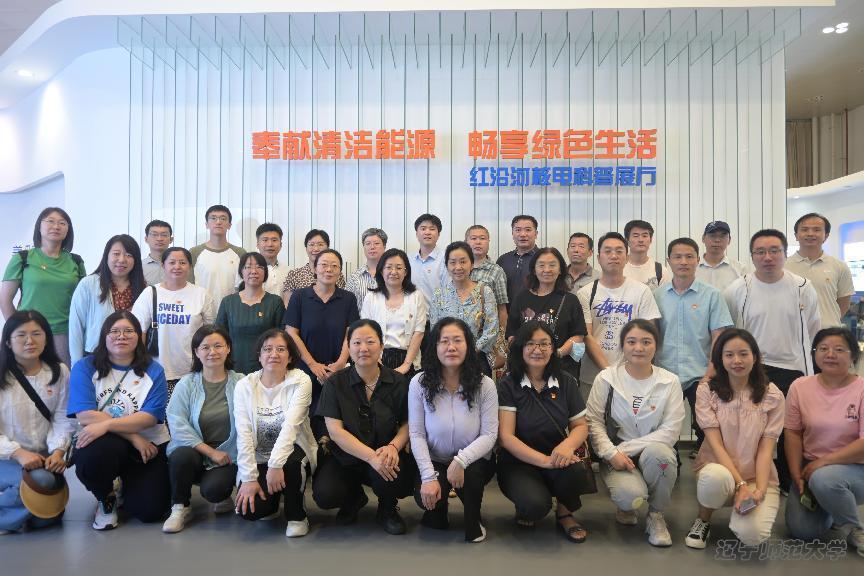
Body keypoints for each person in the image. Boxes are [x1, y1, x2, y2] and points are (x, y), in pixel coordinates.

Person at [724, 228, 820, 489]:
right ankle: (753, 481)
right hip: (753, 370)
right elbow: (730, 332)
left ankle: (789, 481)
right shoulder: (737, 289)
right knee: (752, 428)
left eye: (774, 251)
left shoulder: (802, 287)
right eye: (761, 252)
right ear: (752, 256)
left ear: (785, 253)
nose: (768, 257)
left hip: (794, 369)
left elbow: (812, 329)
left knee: (791, 429)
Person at [67, 311, 171, 530]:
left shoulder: (154, 370)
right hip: (109, 443)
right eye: (114, 331)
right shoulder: (85, 367)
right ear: (104, 336)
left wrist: (106, 424)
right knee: (90, 457)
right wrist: (132, 437)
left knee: (150, 511)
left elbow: (148, 418)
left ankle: (125, 484)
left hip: (149, 445)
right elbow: (85, 415)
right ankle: (105, 497)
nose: (121, 336)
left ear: (139, 336)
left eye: (128, 331)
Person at [586, 319, 685, 547]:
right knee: (630, 497)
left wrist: (625, 450)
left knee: (662, 455)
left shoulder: (670, 381)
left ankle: (656, 515)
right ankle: (626, 506)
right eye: (631, 342)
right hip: (615, 455)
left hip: (650, 452)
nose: (639, 348)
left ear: (656, 346)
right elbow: (594, 422)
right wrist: (611, 453)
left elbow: (670, 431)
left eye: (646, 342)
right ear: (622, 345)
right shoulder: (607, 378)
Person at [684, 329, 785, 549]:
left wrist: (758, 490)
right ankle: (703, 519)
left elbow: (766, 450)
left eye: (743, 354)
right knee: (715, 478)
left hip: (756, 476)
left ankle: (743, 513)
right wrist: (740, 484)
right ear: (720, 359)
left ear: (755, 357)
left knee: (752, 536)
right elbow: (716, 445)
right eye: (729, 355)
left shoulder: (772, 395)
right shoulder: (707, 391)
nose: (737, 360)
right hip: (718, 469)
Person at [313, 319, 414, 535]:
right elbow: (335, 432)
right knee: (326, 494)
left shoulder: (398, 381)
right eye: (357, 343)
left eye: (370, 342)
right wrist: (370, 457)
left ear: (381, 346)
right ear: (349, 348)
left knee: (398, 480)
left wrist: (394, 447)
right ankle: (353, 498)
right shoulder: (335, 383)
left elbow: (408, 423)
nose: (363, 348)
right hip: (345, 457)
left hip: (385, 453)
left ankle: (387, 508)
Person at [497, 321, 594, 542]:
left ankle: (564, 513)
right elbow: (506, 437)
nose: (537, 350)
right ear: (520, 348)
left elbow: (580, 426)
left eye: (544, 344)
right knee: (534, 506)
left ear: (552, 348)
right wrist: (545, 461)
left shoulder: (566, 381)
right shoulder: (508, 384)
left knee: (576, 472)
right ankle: (527, 503)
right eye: (530, 344)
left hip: (557, 455)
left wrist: (567, 446)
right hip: (518, 462)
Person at [409, 318, 498, 543]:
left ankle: (473, 516)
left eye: (458, 340)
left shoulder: (485, 384)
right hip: (436, 459)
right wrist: (428, 476)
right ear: (434, 347)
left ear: (468, 345)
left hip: (472, 461)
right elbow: (417, 434)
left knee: (472, 481)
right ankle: (438, 510)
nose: (451, 347)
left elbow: (489, 434)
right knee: (434, 518)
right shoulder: (419, 383)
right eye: (444, 341)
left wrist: (461, 460)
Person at [784, 327, 864, 557]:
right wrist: (796, 474)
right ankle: (834, 507)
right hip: (811, 468)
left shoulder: (861, 389)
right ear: (814, 353)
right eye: (823, 348)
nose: (830, 354)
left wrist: (823, 462)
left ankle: (855, 529)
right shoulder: (800, 386)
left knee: (824, 479)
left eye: (839, 349)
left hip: (856, 468)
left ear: (853, 355)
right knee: (802, 530)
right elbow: (793, 432)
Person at [233, 329, 317, 537]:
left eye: (281, 349)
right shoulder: (244, 385)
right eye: (267, 349)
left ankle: (297, 515)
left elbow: (291, 427)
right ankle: (272, 503)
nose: (274, 354)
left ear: (290, 356)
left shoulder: (301, 380)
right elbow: (243, 433)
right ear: (259, 355)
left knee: (291, 463)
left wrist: (275, 464)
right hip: (259, 455)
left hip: (293, 449)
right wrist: (249, 478)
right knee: (251, 511)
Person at [654, 238, 732, 455]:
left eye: (689, 257)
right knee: (663, 427)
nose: (683, 262)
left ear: (698, 260)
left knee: (706, 427)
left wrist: (710, 372)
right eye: (678, 257)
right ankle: (669, 464)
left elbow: (718, 336)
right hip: (665, 372)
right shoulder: (657, 295)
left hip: (701, 373)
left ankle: (705, 464)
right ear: (669, 261)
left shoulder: (712, 295)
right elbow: (651, 335)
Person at [162, 325, 243, 533]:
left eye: (218, 346)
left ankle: (223, 493)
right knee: (180, 456)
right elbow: (176, 422)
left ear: (228, 348)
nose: (212, 352)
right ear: (196, 352)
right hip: (195, 452)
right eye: (205, 347)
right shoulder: (186, 383)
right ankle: (180, 506)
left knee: (214, 490)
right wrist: (210, 452)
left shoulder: (242, 382)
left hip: (228, 455)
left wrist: (221, 454)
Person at [0, 311, 73, 534]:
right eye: (21, 335)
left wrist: (58, 452)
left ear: (46, 338)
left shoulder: (59, 371)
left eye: (36, 334)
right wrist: (18, 453)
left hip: (41, 459)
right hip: (5, 457)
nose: (29, 341)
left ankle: (14, 514)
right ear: (8, 342)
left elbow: (62, 418)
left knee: (47, 519)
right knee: (40, 485)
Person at [577, 232, 661, 399]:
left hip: (633, 377)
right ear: (598, 258)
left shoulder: (642, 291)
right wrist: (609, 372)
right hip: (593, 378)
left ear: (627, 257)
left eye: (619, 251)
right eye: (608, 251)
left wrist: (627, 372)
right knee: (592, 417)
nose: (613, 256)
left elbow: (648, 334)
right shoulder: (585, 293)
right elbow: (587, 336)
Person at [284, 249, 359, 437]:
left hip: (338, 370)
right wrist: (312, 364)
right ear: (315, 269)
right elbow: (291, 332)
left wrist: (341, 363)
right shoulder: (299, 296)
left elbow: (351, 333)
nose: (329, 269)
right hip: (305, 370)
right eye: (324, 265)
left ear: (340, 271)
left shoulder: (348, 298)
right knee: (303, 422)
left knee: (337, 421)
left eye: (334, 266)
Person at [1, 207, 86, 365]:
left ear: (68, 230)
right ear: (39, 227)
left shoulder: (76, 261)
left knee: (63, 377)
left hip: (65, 334)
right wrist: (17, 329)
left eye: (62, 223)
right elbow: (5, 300)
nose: (56, 226)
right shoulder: (23, 258)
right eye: (50, 221)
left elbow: (82, 302)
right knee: (27, 377)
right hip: (30, 332)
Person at [132, 247, 217, 393]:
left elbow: (211, 332)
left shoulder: (201, 294)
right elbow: (139, 331)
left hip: (193, 370)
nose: (177, 266)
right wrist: (139, 363)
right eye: (172, 262)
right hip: (157, 370)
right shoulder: (150, 293)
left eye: (182, 262)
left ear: (190, 266)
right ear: (163, 265)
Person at [506, 247, 586, 381]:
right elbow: (512, 334)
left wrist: (556, 353)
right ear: (534, 270)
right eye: (541, 265)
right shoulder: (521, 298)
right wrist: (526, 354)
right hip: (525, 369)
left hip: (561, 369)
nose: (547, 270)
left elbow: (578, 335)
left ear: (560, 270)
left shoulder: (570, 300)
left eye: (552, 265)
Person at [69, 235, 147, 365]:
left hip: (131, 357)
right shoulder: (88, 284)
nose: (122, 259)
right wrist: (76, 364)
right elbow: (76, 326)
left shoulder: (144, 288)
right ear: (106, 256)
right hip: (95, 355)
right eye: (116, 254)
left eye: (129, 255)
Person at [430, 242, 499, 376]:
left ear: (472, 264)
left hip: (477, 359)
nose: (458, 267)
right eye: (453, 262)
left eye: (463, 262)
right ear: (447, 266)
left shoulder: (485, 291)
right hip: (447, 359)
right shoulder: (439, 294)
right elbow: (435, 330)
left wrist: (470, 350)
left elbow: (492, 329)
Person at [360, 249, 426, 376]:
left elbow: (419, 332)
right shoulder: (371, 297)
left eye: (399, 268)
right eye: (389, 267)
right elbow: (366, 332)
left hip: (408, 358)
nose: (394, 272)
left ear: (405, 272)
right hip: (377, 358)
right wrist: (377, 362)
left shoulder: (416, 296)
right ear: (381, 271)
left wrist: (406, 365)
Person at [215, 252, 285, 374]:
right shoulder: (228, 302)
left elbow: (282, 337)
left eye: (259, 267)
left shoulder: (275, 302)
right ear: (241, 272)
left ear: (265, 272)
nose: (254, 271)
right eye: (248, 267)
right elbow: (219, 337)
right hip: (233, 367)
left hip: (267, 368)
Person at [786, 213, 855, 329]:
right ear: (796, 235)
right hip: (793, 332)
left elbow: (844, 303)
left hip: (828, 334)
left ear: (826, 236)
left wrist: (829, 320)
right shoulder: (783, 266)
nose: (810, 233)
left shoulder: (839, 266)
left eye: (817, 230)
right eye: (804, 229)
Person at [189, 205, 246, 305]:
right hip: (202, 309)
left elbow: (244, 286)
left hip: (232, 310)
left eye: (223, 218)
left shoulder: (240, 253)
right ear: (206, 224)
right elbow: (189, 285)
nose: (218, 222)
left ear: (229, 225)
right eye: (213, 218)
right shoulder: (194, 252)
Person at [282, 229, 346, 306]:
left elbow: (342, 301)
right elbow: (288, 304)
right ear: (306, 248)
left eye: (320, 244)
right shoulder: (294, 274)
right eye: (311, 244)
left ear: (327, 248)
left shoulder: (336, 274)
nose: (316, 249)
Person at [466, 225, 509, 330]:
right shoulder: (458, 269)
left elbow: (502, 308)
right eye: (473, 238)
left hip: (486, 331)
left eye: (482, 238)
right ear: (466, 242)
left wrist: (501, 335)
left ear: (488, 242)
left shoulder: (496, 271)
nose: (478, 242)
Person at [497, 215, 539, 306]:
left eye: (528, 230)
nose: (523, 234)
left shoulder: (543, 259)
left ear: (536, 234)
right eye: (518, 230)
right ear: (512, 234)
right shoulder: (503, 260)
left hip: (538, 312)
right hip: (507, 312)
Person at [695, 221, 748, 292]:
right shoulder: (692, 268)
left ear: (729, 240)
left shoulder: (740, 269)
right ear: (703, 238)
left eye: (722, 236)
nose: (717, 240)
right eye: (712, 235)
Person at [410, 214, 449, 306]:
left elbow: (448, 292)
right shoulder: (408, 259)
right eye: (423, 229)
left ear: (438, 234)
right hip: (412, 314)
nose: (427, 232)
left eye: (432, 229)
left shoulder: (446, 259)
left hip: (438, 314)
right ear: (417, 234)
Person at [347, 227, 387, 312]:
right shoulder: (354, 277)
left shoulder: (392, 274)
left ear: (384, 246)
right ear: (364, 247)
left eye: (376, 243)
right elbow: (347, 307)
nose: (372, 247)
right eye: (368, 244)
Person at [623, 219, 669, 288]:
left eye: (644, 236)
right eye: (636, 236)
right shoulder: (617, 267)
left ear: (650, 240)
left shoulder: (661, 271)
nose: (641, 240)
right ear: (627, 240)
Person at [255, 223, 290, 297]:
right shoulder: (250, 272)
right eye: (265, 240)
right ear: (257, 244)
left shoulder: (289, 272)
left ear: (281, 245)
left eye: (274, 240)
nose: (270, 244)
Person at [142, 219, 173, 286]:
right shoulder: (139, 267)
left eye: (164, 235)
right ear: (146, 239)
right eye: (154, 235)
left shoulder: (179, 266)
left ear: (171, 239)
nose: (159, 239)